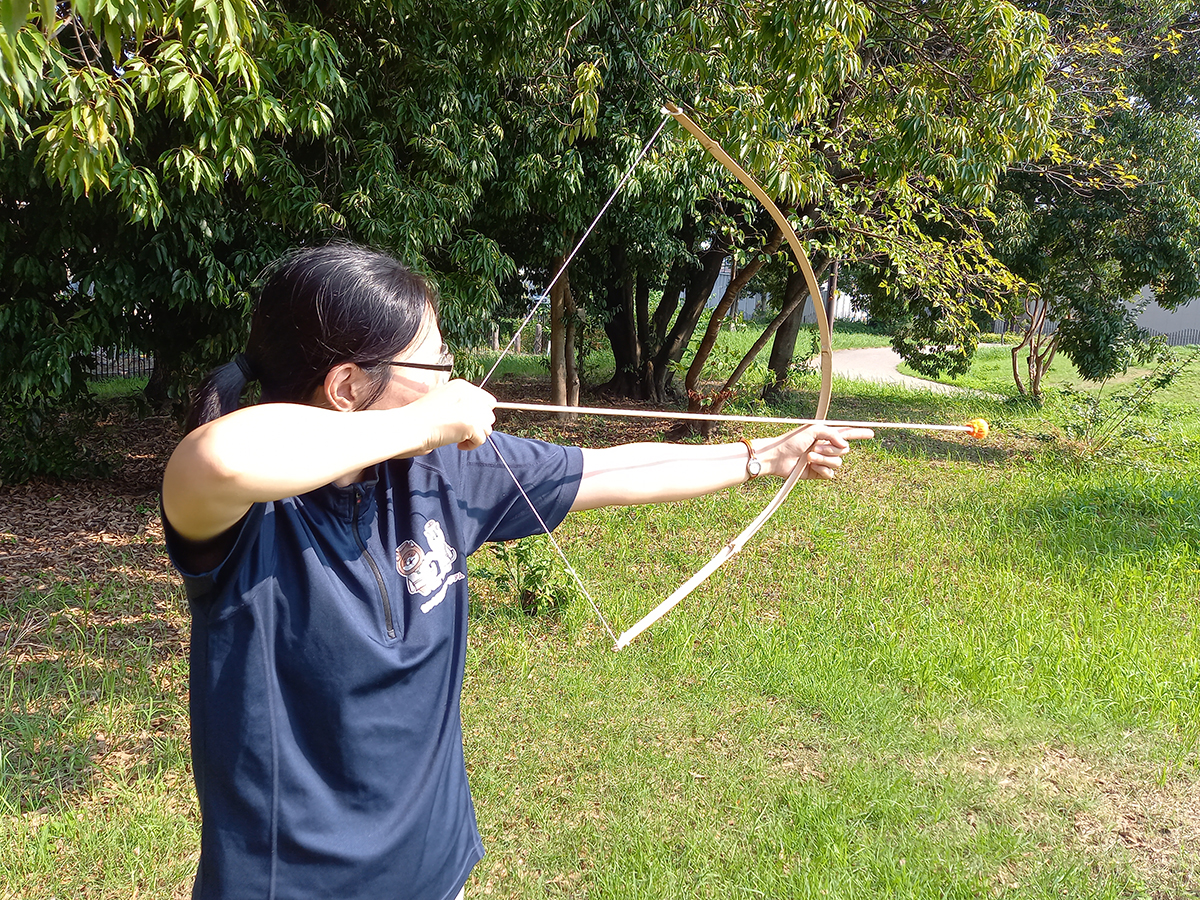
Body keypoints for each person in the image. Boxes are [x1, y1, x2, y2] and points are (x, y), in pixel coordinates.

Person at [161, 243, 871, 900]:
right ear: (347, 386)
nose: (452, 383)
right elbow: (219, 458)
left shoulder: (442, 474)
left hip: (433, 866)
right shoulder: (245, 515)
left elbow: (614, 467)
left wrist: (763, 457)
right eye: (434, 368)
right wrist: (425, 423)